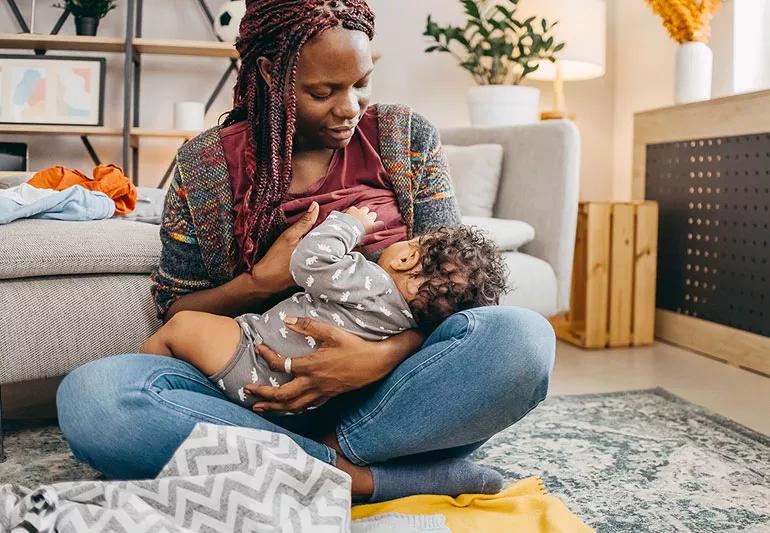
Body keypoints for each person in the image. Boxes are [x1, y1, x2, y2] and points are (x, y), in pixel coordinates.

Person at [56, 0, 556, 503]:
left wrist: (377, 357)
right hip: (252, 389)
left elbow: (454, 284)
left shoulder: (404, 137)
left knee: (522, 339)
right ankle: (355, 477)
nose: (350, 108)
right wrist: (261, 282)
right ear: (272, 75)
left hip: (391, 394)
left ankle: (303, 462)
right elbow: (176, 311)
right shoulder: (207, 164)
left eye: (361, 83)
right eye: (323, 92)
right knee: (95, 399)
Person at [139, 205, 508, 408]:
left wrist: (351, 225)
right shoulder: (401, 320)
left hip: (254, 357)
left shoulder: (371, 283)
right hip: (300, 396)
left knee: (180, 328)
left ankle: (140, 379)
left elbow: (310, 261)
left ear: (406, 259)